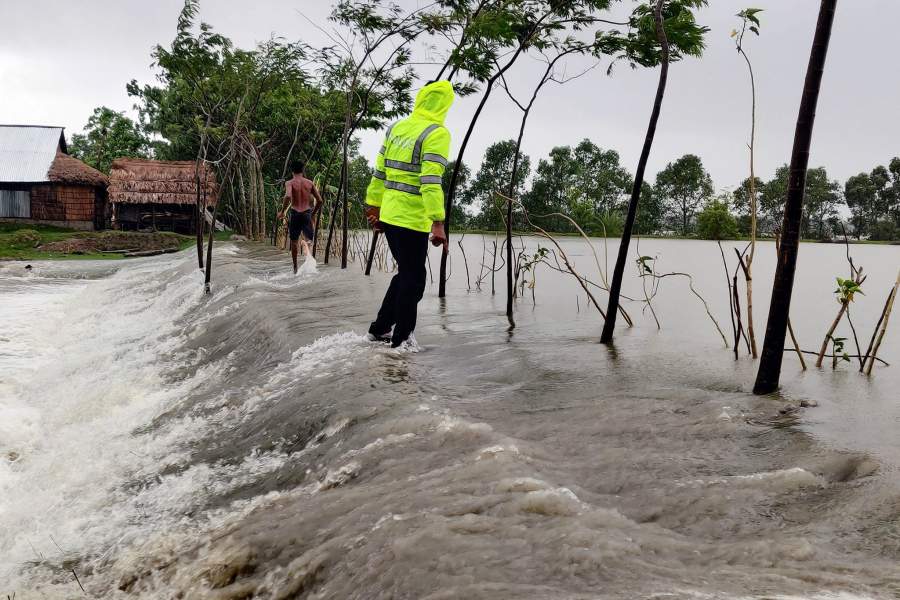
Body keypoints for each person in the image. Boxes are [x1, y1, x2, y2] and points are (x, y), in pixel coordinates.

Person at [364, 80, 455, 348]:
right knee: (414, 280)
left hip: (390, 216)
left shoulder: (397, 127)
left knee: (407, 274)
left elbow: (379, 170)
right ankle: (402, 341)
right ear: (444, 105)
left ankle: (380, 329)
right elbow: (430, 180)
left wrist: (374, 206)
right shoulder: (437, 133)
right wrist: (438, 222)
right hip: (412, 220)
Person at [277, 162, 323, 273]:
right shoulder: (309, 183)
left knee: (293, 242)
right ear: (303, 170)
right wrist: (313, 213)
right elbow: (320, 201)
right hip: (307, 213)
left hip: (295, 213)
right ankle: (310, 266)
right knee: (309, 240)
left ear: (292, 171)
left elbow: (288, 196)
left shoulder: (289, 183)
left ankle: (295, 269)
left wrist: (282, 211)